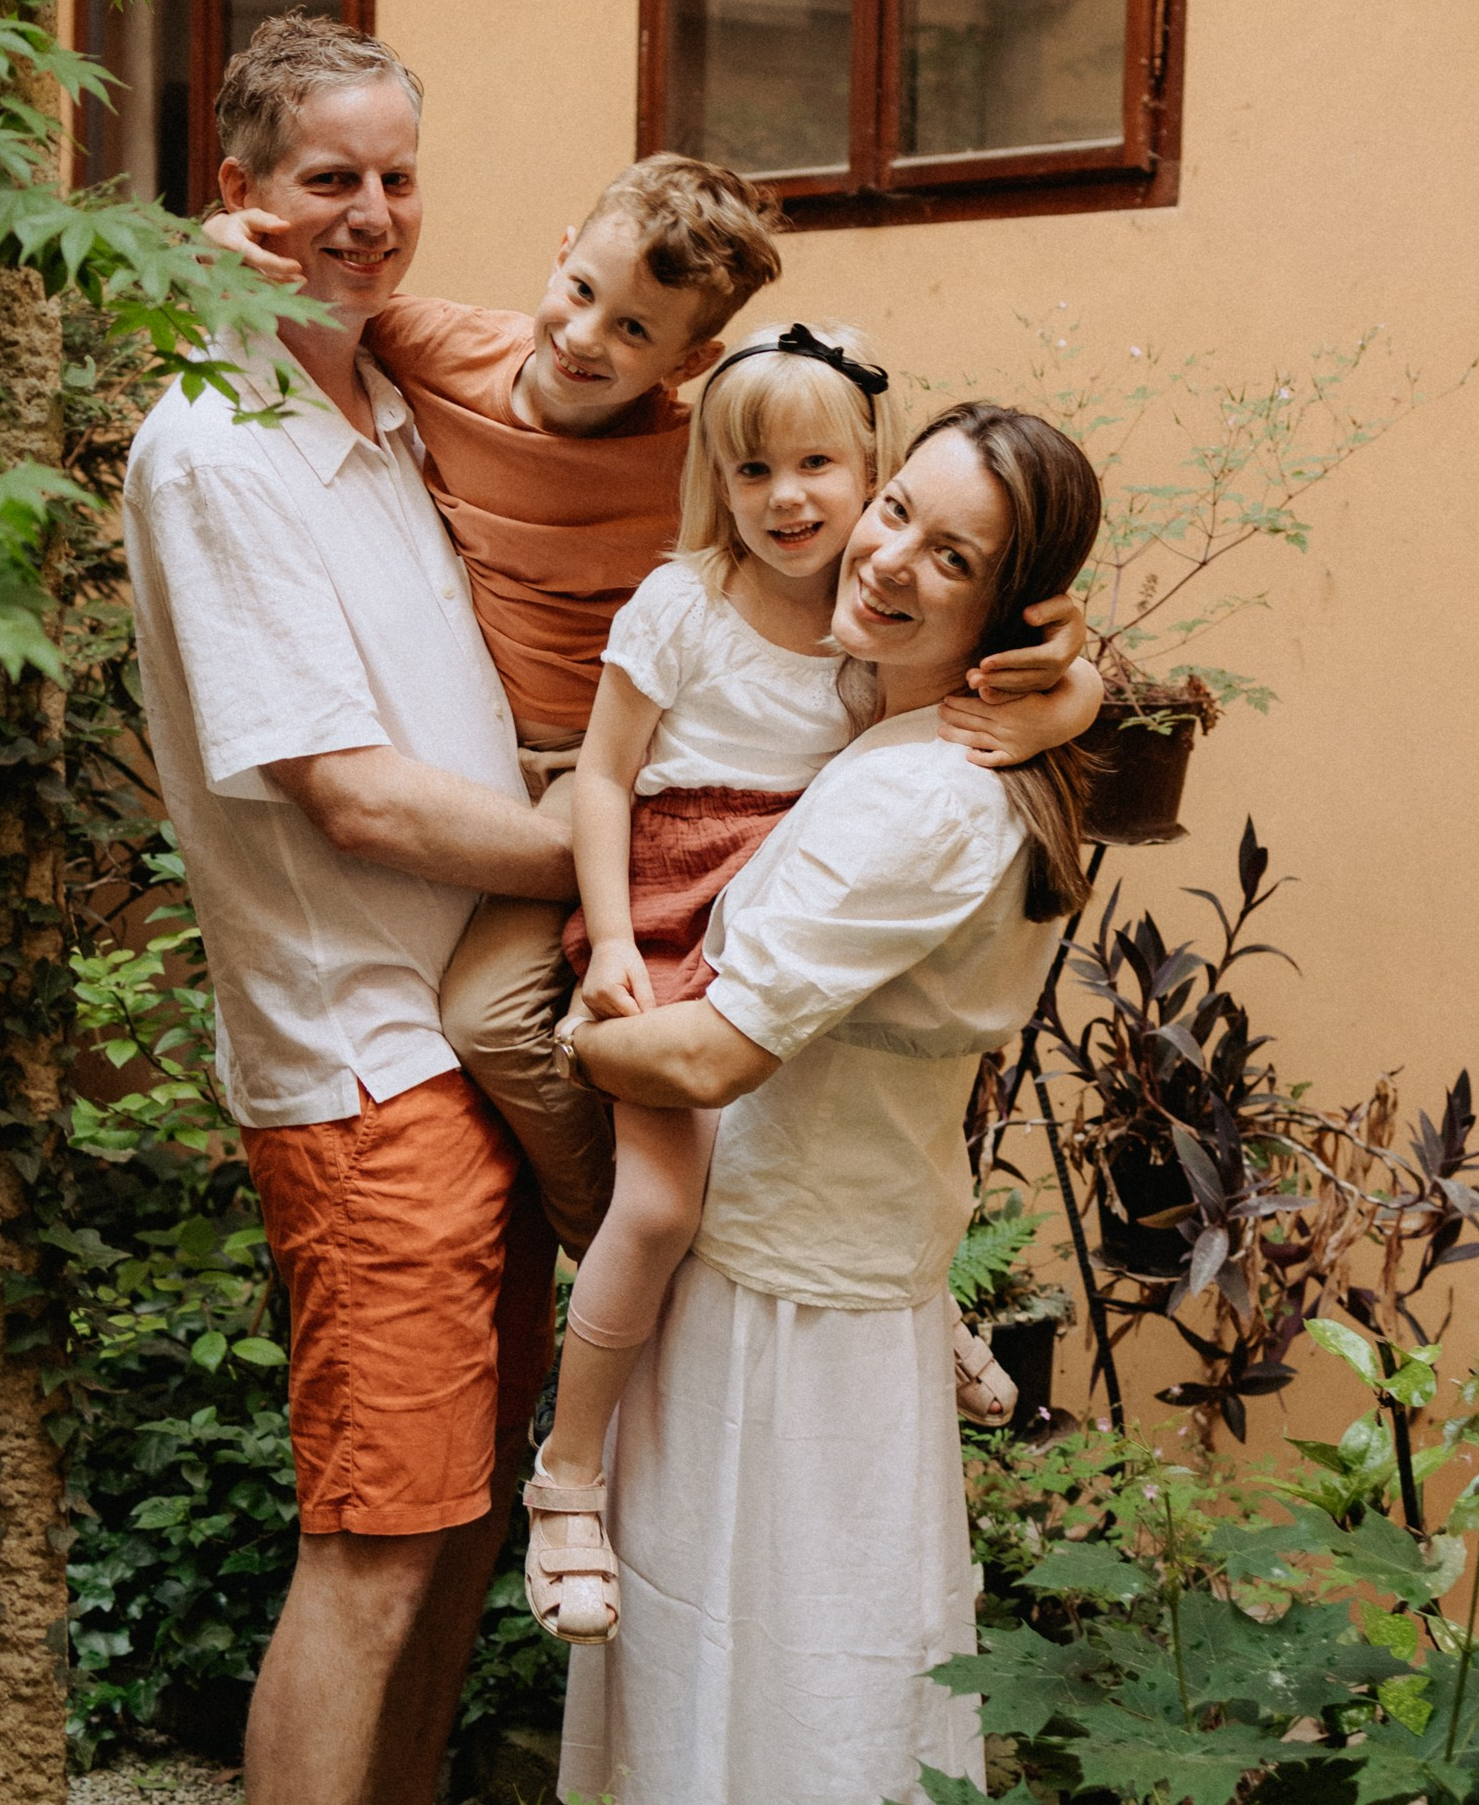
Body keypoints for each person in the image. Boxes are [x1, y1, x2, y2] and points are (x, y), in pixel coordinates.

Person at [505, 404, 1103, 1805]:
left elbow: (703, 1053)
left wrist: (543, 1043)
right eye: (893, 513)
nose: (885, 559)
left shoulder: (935, 791)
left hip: (823, 1301)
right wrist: (1086, 689)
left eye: (948, 554)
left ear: (1013, 609)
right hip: (744, 1260)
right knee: (696, 1643)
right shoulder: (902, 717)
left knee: (852, 1685)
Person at [208, 153, 1096, 1275]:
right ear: (558, 253)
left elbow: (970, 569)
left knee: (786, 1056)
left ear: (690, 363)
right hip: (583, 779)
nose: (586, 340)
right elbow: (312, 304)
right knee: (496, 1018)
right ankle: (625, 1258)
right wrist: (215, 247)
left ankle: (872, 1278)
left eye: (635, 332)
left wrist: (1067, 690)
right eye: (581, 293)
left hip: (751, 815)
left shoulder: (731, 457)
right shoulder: (434, 347)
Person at [123, 11, 587, 1805]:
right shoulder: (217, 448)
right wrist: (609, 851)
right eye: (328, 177)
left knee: (464, 1514)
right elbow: (359, 797)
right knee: (377, 1542)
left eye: (395, 174)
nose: (372, 216)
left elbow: (600, 347)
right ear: (239, 184)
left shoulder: (378, 401)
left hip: (469, 1045)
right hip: (362, 1064)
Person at [520, 330, 1096, 1645]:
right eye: (753, 469)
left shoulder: (864, 587)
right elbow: (599, 776)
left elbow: (1067, 637)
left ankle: (933, 1284)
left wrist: (1060, 708)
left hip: (773, 896)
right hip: (667, 913)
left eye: (825, 468)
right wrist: (609, 950)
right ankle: (568, 1479)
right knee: (662, 1201)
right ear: (712, 482)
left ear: (867, 468)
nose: (795, 499)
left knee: (915, 1079)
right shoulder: (688, 604)